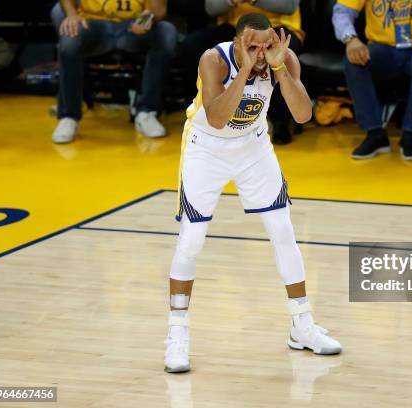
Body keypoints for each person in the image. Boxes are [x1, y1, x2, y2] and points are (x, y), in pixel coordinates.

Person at [164, 13, 342, 373]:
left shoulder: (283, 59)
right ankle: (177, 335)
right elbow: (217, 118)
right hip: (206, 147)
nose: (261, 52)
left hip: (253, 146)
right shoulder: (214, 60)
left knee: (284, 231)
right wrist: (244, 71)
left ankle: (302, 325)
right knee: (191, 240)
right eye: (253, 46)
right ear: (238, 42)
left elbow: (304, 114)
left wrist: (280, 70)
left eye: (267, 45)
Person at [51, 0, 177, 143]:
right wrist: (72, 15)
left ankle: (147, 112)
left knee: (166, 31)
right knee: (69, 37)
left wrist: (147, 20)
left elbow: (159, 9)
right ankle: (69, 117)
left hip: (132, 27)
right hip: (92, 24)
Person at [333, 0, 412, 160]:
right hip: (382, 48)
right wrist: (351, 39)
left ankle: (411, 134)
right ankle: (375, 133)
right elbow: (342, 11)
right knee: (353, 61)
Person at [182, 0, 304, 145]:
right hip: (235, 29)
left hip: (276, 29)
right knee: (192, 45)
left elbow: (289, 6)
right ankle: (203, 108)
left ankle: (280, 121)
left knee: (283, 55)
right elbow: (210, 9)